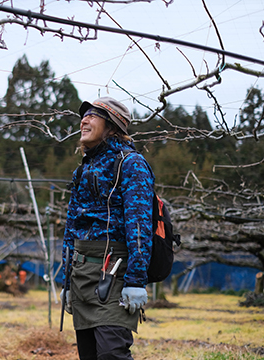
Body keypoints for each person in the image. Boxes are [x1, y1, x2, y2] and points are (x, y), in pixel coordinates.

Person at [61, 97, 154, 360]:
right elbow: (72, 226)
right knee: (89, 355)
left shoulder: (130, 164)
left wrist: (136, 280)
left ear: (112, 125)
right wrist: (67, 280)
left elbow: (139, 226)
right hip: (82, 275)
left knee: (112, 354)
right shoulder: (83, 169)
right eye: (84, 115)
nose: (84, 120)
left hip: (114, 274)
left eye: (93, 115)